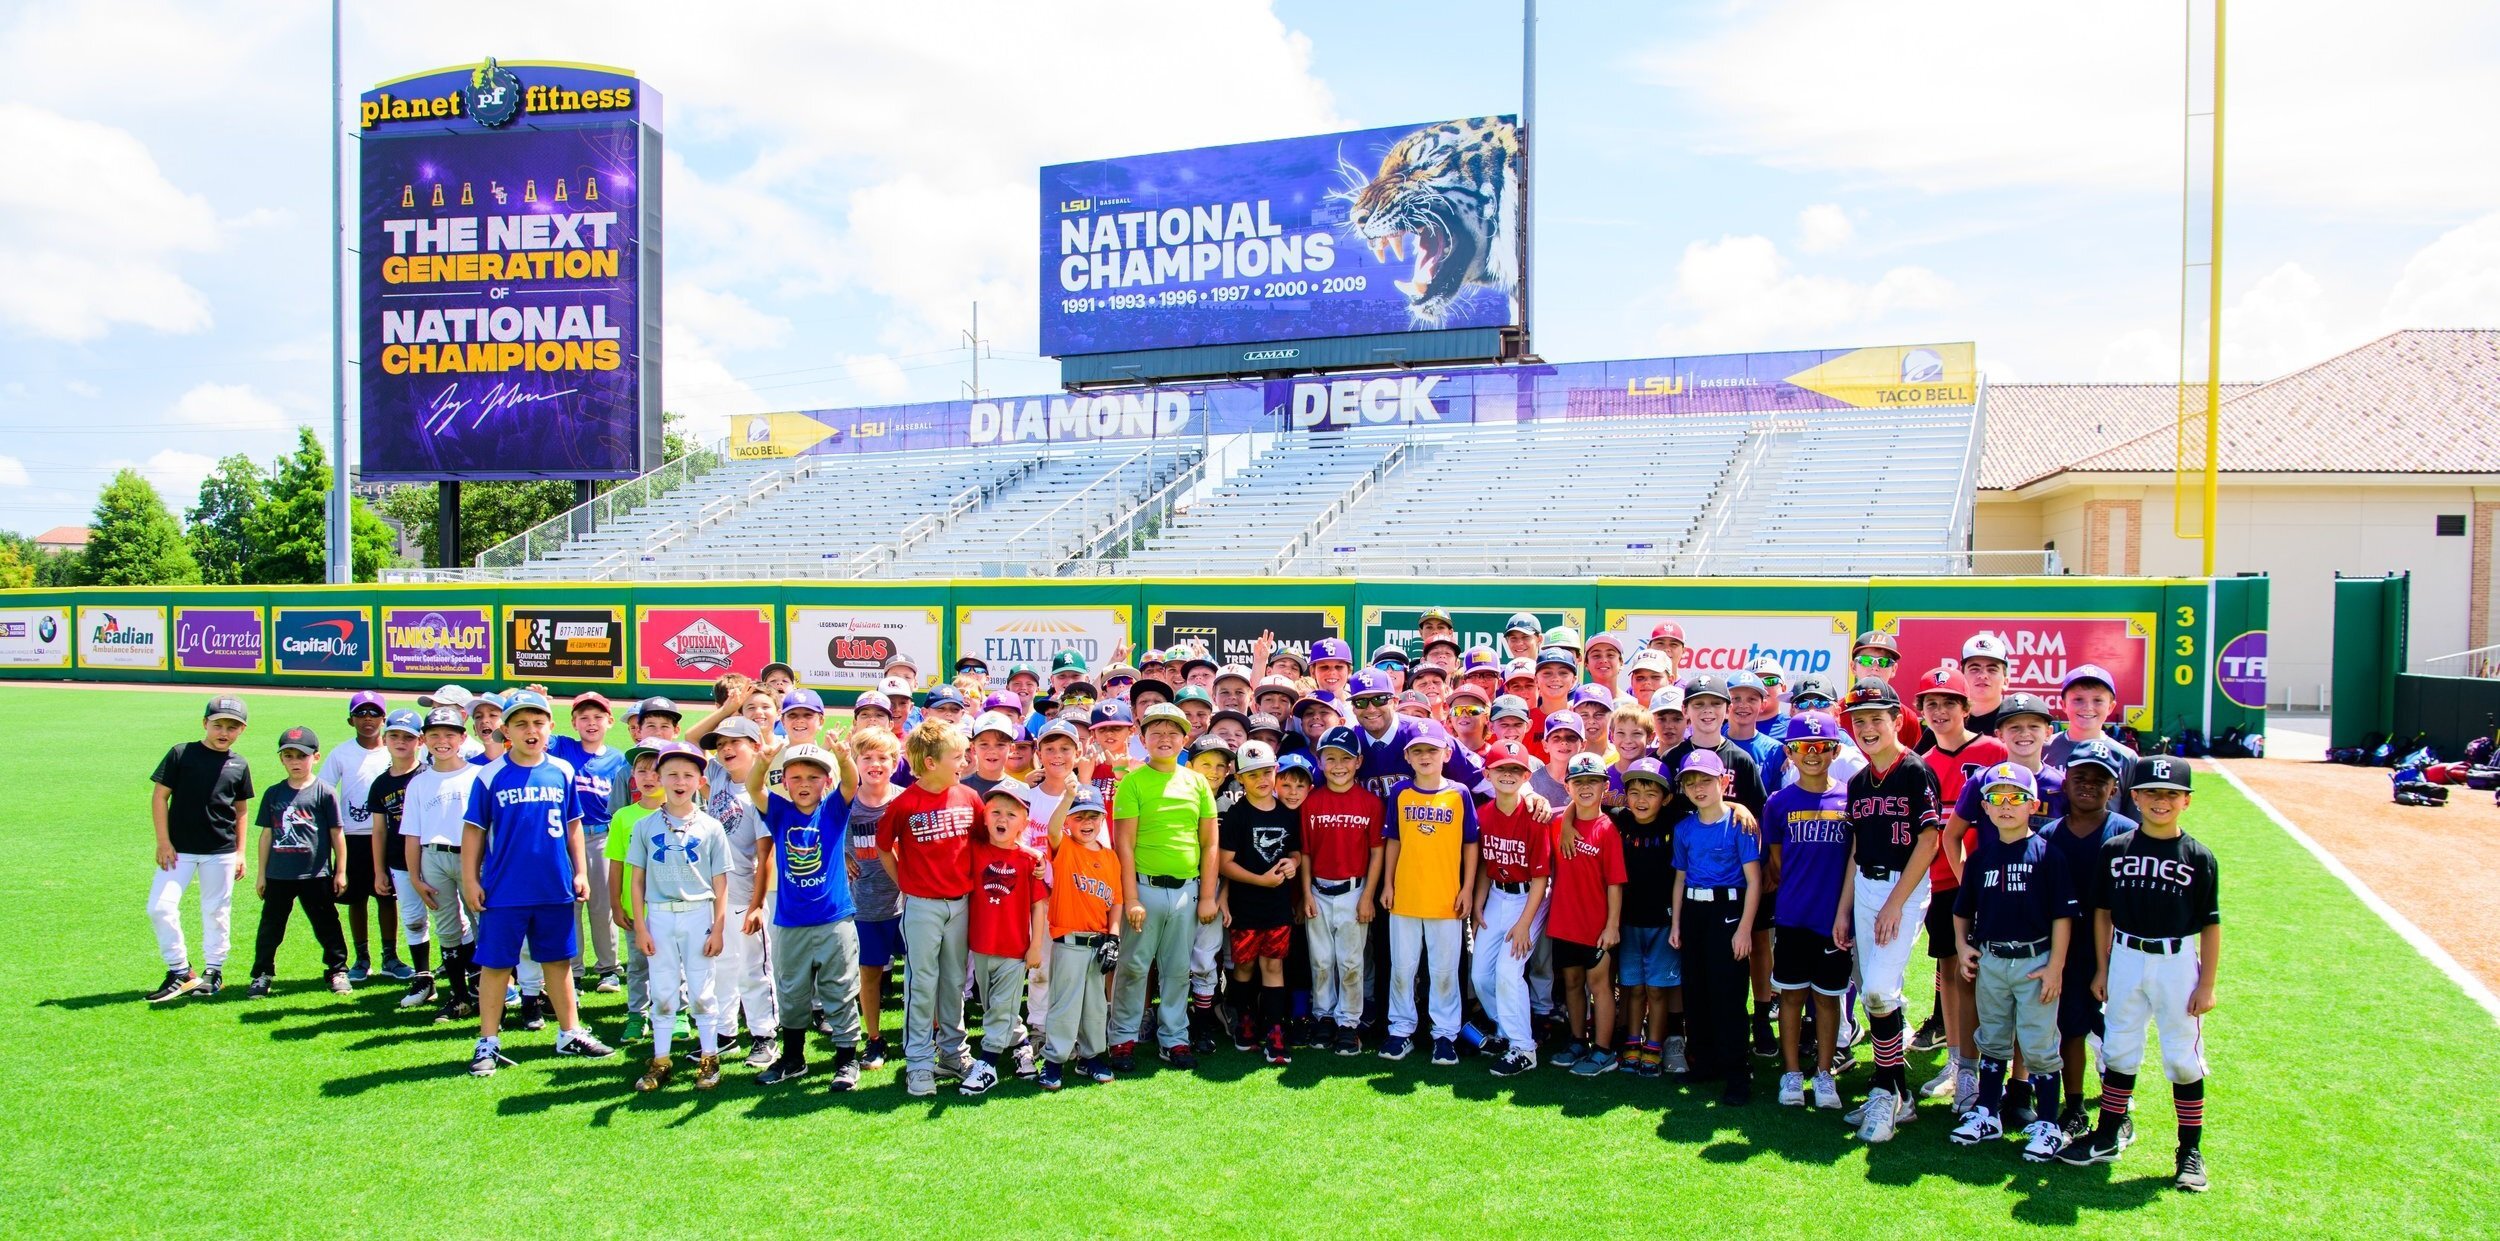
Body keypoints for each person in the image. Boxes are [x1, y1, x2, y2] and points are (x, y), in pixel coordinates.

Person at [2062, 756, 2222, 1194]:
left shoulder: (2199, 856)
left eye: (2170, 794)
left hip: (2176, 961)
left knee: (2182, 1058)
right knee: (2118, 1049)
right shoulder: (2116, 850)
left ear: (2186, 801)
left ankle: (2189, 1150)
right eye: (2151, 792)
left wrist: (2206, 983)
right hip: (2125, 956)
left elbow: (2210, 923)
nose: (2160, 801)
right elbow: (2102, 914)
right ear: (2134, 797)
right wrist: (2102, 966)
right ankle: (2108, 1135)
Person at [458, 690, 615, 1076]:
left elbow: (574, 825)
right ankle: (488, 1041)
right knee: (496, 965)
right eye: (521, 724)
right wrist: (469, 879)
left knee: (558, 962)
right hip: (505, 888)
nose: (531, 730)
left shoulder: (562, 770)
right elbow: (474, 831)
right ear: (506, 730)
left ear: (550, 728)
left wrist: (579, 871)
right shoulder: (490, 775)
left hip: (554, 886)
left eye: (538, 723)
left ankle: (569, 1033)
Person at [1949, 763, 2079, 1162]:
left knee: (2039, 1043)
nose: (2006, 806)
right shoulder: (1980, 857)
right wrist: (1963, 945)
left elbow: (2062, 916)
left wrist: (2056, 965)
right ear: (1984, 807)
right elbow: (1962, 910)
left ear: (2033, 805)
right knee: (1994, 1037)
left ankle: (2047, 1123)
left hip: (2034, 961)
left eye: (2016, 798)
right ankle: (1988, 1111)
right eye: (1996, 799)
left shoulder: (2047, 855)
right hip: (1992, 960)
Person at [1835, 680, 1943, 1142]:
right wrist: (1844, 910)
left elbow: (1930, 839)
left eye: (1877, 718)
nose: (1868, 727)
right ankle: (1894, 1091)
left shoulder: (1915, 770)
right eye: (1859, 721)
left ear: (1897, 721)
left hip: (1905, 888)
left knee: (1879, 990)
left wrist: (1896, 903)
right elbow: (1856, 848)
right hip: (1864, 886)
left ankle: (1887, 1090)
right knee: (1873, 992)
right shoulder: (1859, 781)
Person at [1908, 668, 2008, 1104]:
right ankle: (1957, 1061)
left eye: (1949, 702)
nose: (1940, 710)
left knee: (1997, 973)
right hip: (1943, 883)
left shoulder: (1994, 751)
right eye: (1931, 703)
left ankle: (1998, 1066)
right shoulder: (1923, 763)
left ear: (1966, 708)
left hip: (1992, 881)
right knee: (1951, 968)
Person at [878, 718, 987, 1097]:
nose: (964, 762)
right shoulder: (904, 803)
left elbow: (980, 844)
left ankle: (953, 1054)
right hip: (922, 907)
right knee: (921, 984)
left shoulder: (969, 797)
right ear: (929, 763)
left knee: (954, 982)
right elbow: (883, 848)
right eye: (957, 756)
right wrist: (906, 885)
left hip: (961, 904)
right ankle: (919, 1062)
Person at [1109, 703, 1220, 1073]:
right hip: (1145, 890)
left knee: (1176, 970)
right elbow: (1123, 844)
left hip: (1187, 891)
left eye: (1173, 733)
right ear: (1143, 739)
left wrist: (1206, 896)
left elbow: (1209, 843)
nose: (1165, 739)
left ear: (1185, 738)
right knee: (1134, 966)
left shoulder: (1197, 782)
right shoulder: (1133, 782)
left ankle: (1174, 1037)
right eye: (1155, 732)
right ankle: (1121, 1036)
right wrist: (1132, 898)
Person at [748, 741, 865, 1091]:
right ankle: (793, 1058)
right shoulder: (781, 812)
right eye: (795, 776)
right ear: (784, 781)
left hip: (834, 920)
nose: (804, 783)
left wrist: (844, 758)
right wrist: (764, 759)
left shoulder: (831, 810)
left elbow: (851, 784)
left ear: (824, 783)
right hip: (791, 922)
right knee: (791, 991)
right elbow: (754, 787)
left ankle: (846, 1060)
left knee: (840, 988)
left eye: (813, 777)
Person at [2043, 739, 2136, 1134]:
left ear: (2114, 788)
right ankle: (2076, 1105)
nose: (2088, 786)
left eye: (2100, 780)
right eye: (2080, 777)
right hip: (2064, 948)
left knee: (2118, 1032)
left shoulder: (2130, 834)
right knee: (2071, 1028)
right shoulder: (2048, 836)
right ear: (2065, 782)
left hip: (2117, 951)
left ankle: (2119, 1106)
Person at [627, 742, 731, 1092]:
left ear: (701, 780)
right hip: (659, 915)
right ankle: (660, 1059)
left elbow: (721, 881)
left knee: (702, 991)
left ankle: (709, 1058)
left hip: (698, 912)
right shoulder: (644, 825)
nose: (680, 781)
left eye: (688, 774)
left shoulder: (711, 827)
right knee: (664, 991)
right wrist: (640, 925)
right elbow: (637, 879)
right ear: (658, 778)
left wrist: (718, 926)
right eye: (671, 774)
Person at [1763, 712, 1851, 1111]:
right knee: (1793, 995)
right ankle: (1792, 1072)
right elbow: (1777, 862)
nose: (1812, 755)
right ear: (1789, 753)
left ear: (1835, 750)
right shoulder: (1779, 803)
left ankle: (1825, 1074)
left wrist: (1843, 912)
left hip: (1835, 921)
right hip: (1794, 916)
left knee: (1829, 998)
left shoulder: (1851, 798)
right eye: (1802, 748)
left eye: (1821, 747)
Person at [1378, 723, 1479, 1066]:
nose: (1425, 757)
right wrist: (1388, 884)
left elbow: (1470, 846)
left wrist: (1466, 888)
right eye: (1417, 751)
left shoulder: (1459, 793)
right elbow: (1393, 840)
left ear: (1446, 754)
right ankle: (1401, 1029)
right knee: (1403, 968)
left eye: (1432, 750)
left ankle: (1445, 1034)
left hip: (1446, 897)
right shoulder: (1401, 793)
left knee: (1445, 970)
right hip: (1405, 895)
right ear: (1407, 756)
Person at [145, 696, 255, 1002]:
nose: (224, 732)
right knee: (159, 907)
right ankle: (180, 970)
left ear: (242, 730)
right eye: (218, 724)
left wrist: (240, 852)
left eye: (232, 727)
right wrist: (163, 841)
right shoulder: (182, 753)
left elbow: (241, 810)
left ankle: (213, 971)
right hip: (178, 850)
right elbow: (159, 797)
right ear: (204, 723)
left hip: (220, 851)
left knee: (216, 911)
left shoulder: (239, 764)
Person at [1668, 750, 1763, 1105]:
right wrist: (1677, 922)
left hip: (1728, 910)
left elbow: (1753, 881)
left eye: (1706, 780)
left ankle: (1737, 1073)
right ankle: (1704, 1062)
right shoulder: (1684, 827)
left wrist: (1744, 929)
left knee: (1728, 994)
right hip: (1694, 910)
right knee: (1697, 990)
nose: (1698, 788)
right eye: (1691, 782)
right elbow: (1679, 877)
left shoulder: (1739, 824)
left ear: (1723, 782)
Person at [245, 727, 350, 998]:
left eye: (301, 756)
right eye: (288, 756)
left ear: (315, 757)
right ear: (281, 759)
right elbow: (266, 835)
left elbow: (337, 833)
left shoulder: (324, 792)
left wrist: (340, 871)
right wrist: (261, 875)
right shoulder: (273, 793)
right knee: (271, 926)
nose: (295, 762)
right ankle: (262, 973)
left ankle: (337, 970)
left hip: (315, 874)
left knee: (327, 923)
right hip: (279, 874)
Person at [1299, 727, 1384, 1054]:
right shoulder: (1312, 801)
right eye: (1330, 758)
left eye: (1346, 759)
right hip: (1318, 890)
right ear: (1319, 761)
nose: (1338, 765)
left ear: (1359, 761)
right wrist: (1306, 892)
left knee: (1350, 962)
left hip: (1354, 889)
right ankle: (1324, 1017)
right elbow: (1305, 852)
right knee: (1321, 960)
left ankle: (1349, 1021)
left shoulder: (1370, 803)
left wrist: (1367, 896)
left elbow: (1377, 851)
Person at [1217, 741, 1302, 1067]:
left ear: (1275, 771)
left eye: (1266, 772)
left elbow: (1294, 852)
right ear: (1239, 777)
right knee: (1245, 965)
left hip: (1277, 905)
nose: (1262, 780)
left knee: (1273, 965)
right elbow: (1226, 863)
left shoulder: (1286, 813)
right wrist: (1260, 880)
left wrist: (1292, 864)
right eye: (1252, 775)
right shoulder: (1237, 814)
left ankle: (1276, 1028)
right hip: (1245, 904)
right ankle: (1246, 1018)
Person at [1469, 740, 1551, 1077]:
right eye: (1501, 768)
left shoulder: (1534, 815)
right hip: (1496, 898)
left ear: (1526, 775)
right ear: (1488, 773)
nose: (1507, 774)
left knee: (1507, 972)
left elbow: (1540, 879)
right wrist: (1477, 906)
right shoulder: (1484, 814)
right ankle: (1507, 1031)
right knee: (1480, 975)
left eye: (1515, 769)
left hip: (1529, 898)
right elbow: (1487, 869)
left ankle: (1524, 1048)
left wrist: (1524, 923)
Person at [966, 781, 1050, 1093]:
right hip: (982, 946)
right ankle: (1022, 1045)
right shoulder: (975, 850)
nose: (1003, 819)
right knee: (995, 1007)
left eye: (1012, 814)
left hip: (1015, 949)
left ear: (1024, 822)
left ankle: (986, 1064)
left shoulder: (1029, 860)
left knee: (1001, 1005)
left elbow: (1038, 907)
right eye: (996, 812)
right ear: (984, 817)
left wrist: (1036, 945)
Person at [1546, 754, 1625, 1075]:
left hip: (1597, 926)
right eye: (1578, 782)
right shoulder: (1557, 824)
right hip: (1564, 921)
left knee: (1600, 984)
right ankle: (1578, 1040)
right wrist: (1566, 820)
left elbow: (1615, 884)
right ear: (1567, 786)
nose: (1585, 787)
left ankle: (1604, 1050)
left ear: (1605, 786)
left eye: (1592, 781)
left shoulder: (1608, 830)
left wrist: (1612, 926)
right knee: (1572, 983)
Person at [319, 691, 403, 984]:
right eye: (360, 714)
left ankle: (390, 956)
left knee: (387, 896)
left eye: (374, 713)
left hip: (389, 835)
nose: (367, 720)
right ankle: (362, 956)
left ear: (384, 718)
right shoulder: (341, 753)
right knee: (356, 899)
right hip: (352, 836)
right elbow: (324, 792)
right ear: (350, 719)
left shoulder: (394, 749)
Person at [550, 693, 630, 994]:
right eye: (584, 717)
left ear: (610, 721)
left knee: (602, 907)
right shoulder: (563, 747)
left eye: (598, 717)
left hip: (602, 836)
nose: (591, 723)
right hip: (567, 837)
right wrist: (539, 700)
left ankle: (608, 968)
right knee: (569, 904)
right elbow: (537, 731)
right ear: (573, 723)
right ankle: (574, 969)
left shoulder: (618, 759)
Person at [1041, 785, 1120, 1090]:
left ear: (1102, 819)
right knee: (1065, 1006)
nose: (1086, 822)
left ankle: (1092, 1057)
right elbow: (1051, 829)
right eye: (1079, 816)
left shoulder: (1111, 858)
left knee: (1095, 1008)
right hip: (1070, 942)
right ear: (1068, 822)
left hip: (1098, 942)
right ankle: (1054, 1061)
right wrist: (1066, 799)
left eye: (1093, 816)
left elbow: (1116, 902)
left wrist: (1113, 938)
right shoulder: (1066, 849)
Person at [406, 707, 481, 1024]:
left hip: (472, 857)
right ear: (423, 740)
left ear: (463, 738)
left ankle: (488, 991)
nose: (442, 741)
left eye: (450, 734)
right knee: (448, 930)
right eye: (434, 735)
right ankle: (460, 997)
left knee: (485, 924)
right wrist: (414, 877)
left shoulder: (477, 775)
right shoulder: (419, 783)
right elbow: (412, 834)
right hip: (433, 856)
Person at [1611, 757, 1682, 1079]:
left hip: (1664, 922)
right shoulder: (1618, 820)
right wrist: (1569, 820)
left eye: (1651, 793)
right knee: (1633, 987)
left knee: (1657, 990)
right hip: (1628, 921)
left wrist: (1740, 809)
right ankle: (1631, 1041)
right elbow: (1578, 806)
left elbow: (1716, 808)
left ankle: (1654, 1045)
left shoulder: (1676, 821)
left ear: (1666, 798)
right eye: (1635, 792)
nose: (1641, 800)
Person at [845, 725, 908, 1069]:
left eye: (883, 757)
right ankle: (874, 1038)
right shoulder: (845, 803)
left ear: (895, 761)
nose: (875, 764)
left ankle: (922, 1032)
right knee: (869, 973)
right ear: (855, 762)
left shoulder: (905, 800)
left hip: (906, 904)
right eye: (866, 757)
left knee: (916, 972)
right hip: (865, 905)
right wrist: (841, 855)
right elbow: (824, 833)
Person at [365, 710, 436, 1010]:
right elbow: (379, 830)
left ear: (420, 741)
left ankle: (467, 976)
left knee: (452, 919)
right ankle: (423, 978)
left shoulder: (429, 775)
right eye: (394, 735)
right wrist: (379, 870)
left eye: (408, 737)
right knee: (413, 918)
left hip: (433, 859)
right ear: (385, 739)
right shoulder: (381, 784)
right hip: (398, 862)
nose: (401, 742)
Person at [604, 745, 666, 1042]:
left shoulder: (679, 814)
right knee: (639, 965)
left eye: (656, 770)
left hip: (671, 909)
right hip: (634, 909)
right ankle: (636, 1015)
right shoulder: (623, 817)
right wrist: (616, 904)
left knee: (670, 965)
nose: (649, 777)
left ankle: (672, 1012)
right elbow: (616, 865)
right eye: (641, 771)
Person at [1959, 634, 2011, 735]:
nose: (1983, 675)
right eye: (1974, 669)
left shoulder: (2017, 723)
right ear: (1961, 678)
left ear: (2005, 682)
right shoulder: (1946, 723)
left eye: (1992, 669)